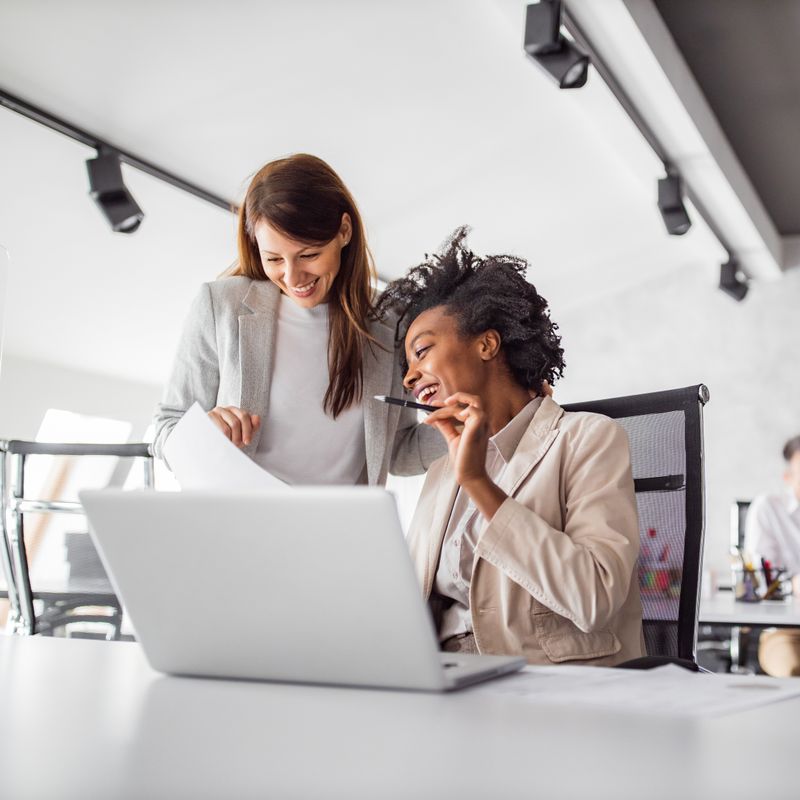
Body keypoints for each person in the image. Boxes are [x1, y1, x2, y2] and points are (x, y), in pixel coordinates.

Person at [377, 228, 644, 665]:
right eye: (407, 366)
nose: (409, 378)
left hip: (547, 692)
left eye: (422, 351)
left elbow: (595, 598)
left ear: (487, 343)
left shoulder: (588, 439)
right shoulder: (442, 470)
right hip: (444, 683)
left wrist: (478, 483)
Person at [153, 153, 443, 486]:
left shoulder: (391, 321)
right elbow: (165, 429)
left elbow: (398, 452)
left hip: (336, 530)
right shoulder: (221, 306)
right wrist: (203, 432)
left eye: (309, 255)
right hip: (236, 525)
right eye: (274, 258)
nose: (292, 276)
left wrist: (471, 429)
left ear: (344, 231)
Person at [745, 435, 800, 676]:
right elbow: (763, 585)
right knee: (790, 667)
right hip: (787, 632)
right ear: (788, 476)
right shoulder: (768, 508)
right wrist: (793, 585)